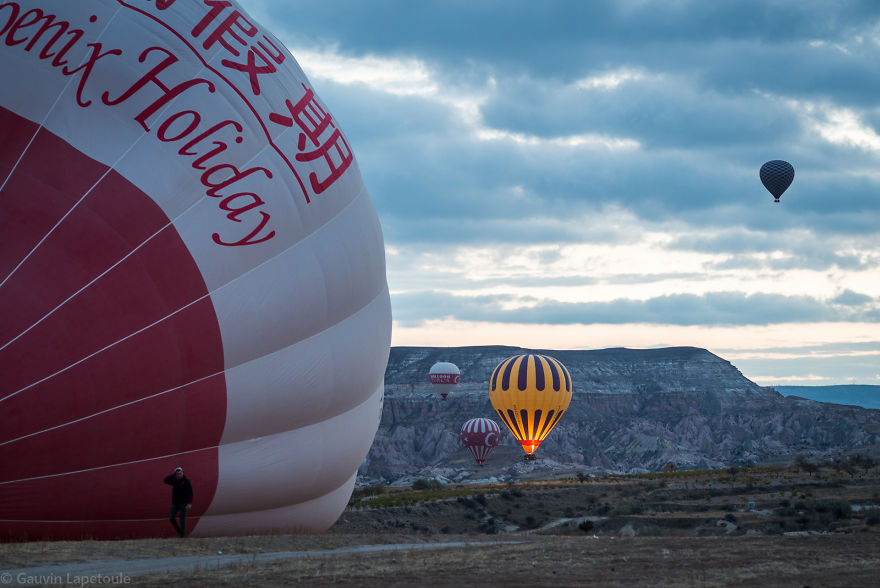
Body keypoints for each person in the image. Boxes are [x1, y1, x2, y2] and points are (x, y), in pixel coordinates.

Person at [163, 466, 193, 537]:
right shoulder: (174, 481)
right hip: (175, 502)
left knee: (182, 519)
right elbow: (165, 480)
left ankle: (182, 535)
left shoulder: (186, 481)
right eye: (177, 474)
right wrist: (173, 474)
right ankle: (180, 531)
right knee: (171, 518)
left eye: (180, 473)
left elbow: (190, 493)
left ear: (182, 473)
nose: (179, 475)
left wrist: (189, 503)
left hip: (184, 502)